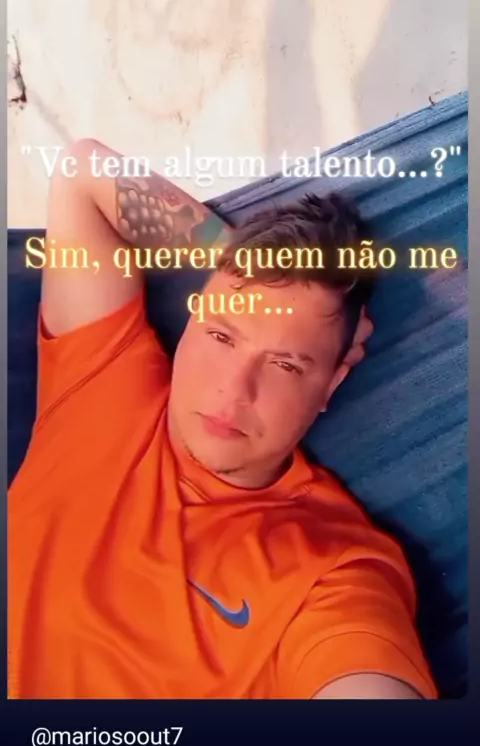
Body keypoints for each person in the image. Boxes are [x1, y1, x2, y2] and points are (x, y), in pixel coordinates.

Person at [8, 138, 437, 700]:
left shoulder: (330, 569)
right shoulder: (100, 378)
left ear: (332, 382)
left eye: (285, 364)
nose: (233, 391)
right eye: (221, 335)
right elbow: (81, 172)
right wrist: (244, 263)